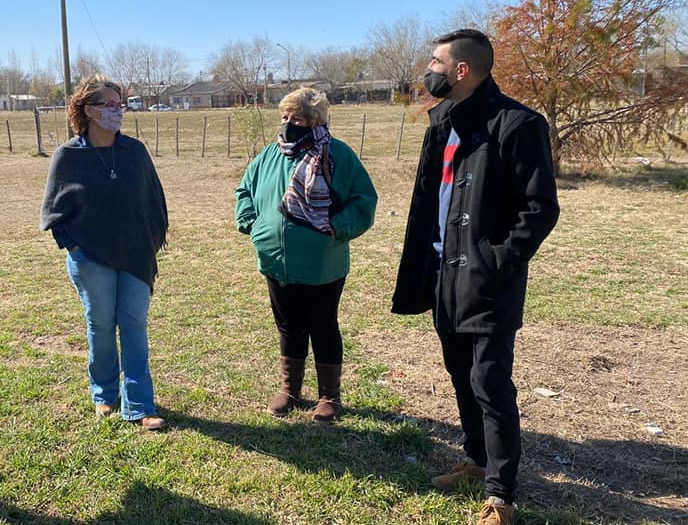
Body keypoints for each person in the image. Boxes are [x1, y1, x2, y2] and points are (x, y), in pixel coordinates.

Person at [391, 29, 560, 525]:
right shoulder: (442, 122)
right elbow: (431, 203)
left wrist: (496, 262)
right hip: (444, 277)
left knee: (490, 383)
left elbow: (540, 208)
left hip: (487, 283)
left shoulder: (518, 124)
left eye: (436, 62)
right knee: (460, 376)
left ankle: (501, 496)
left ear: (460, 70)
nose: (430, 69)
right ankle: (475, 458)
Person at [235, 88, 378, 423]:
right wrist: (250, 222)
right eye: (285, 116)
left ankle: (330, 395)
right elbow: (245, 189)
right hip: (275, 261)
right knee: (289, 326)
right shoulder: (271, 155)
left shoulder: (338, 155)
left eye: (296, 118)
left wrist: (339, 226)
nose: (289, 123)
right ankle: (290, 389)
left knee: (323, 326)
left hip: (321, 263)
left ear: (315, 121)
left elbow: (364, 200)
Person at [41, 75, 169, 431]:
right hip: (90, 258)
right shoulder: (68, 155)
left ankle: (140, 404)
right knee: (100, 325)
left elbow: (155, 200)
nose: (118, 111)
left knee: (133, 324)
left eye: (119, 104)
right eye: (109, 105)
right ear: (88, 110)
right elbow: (53, 211)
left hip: (135, 255)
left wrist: (152, 239)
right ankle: (104, 393)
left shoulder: (135, 152)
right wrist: (76, 247)